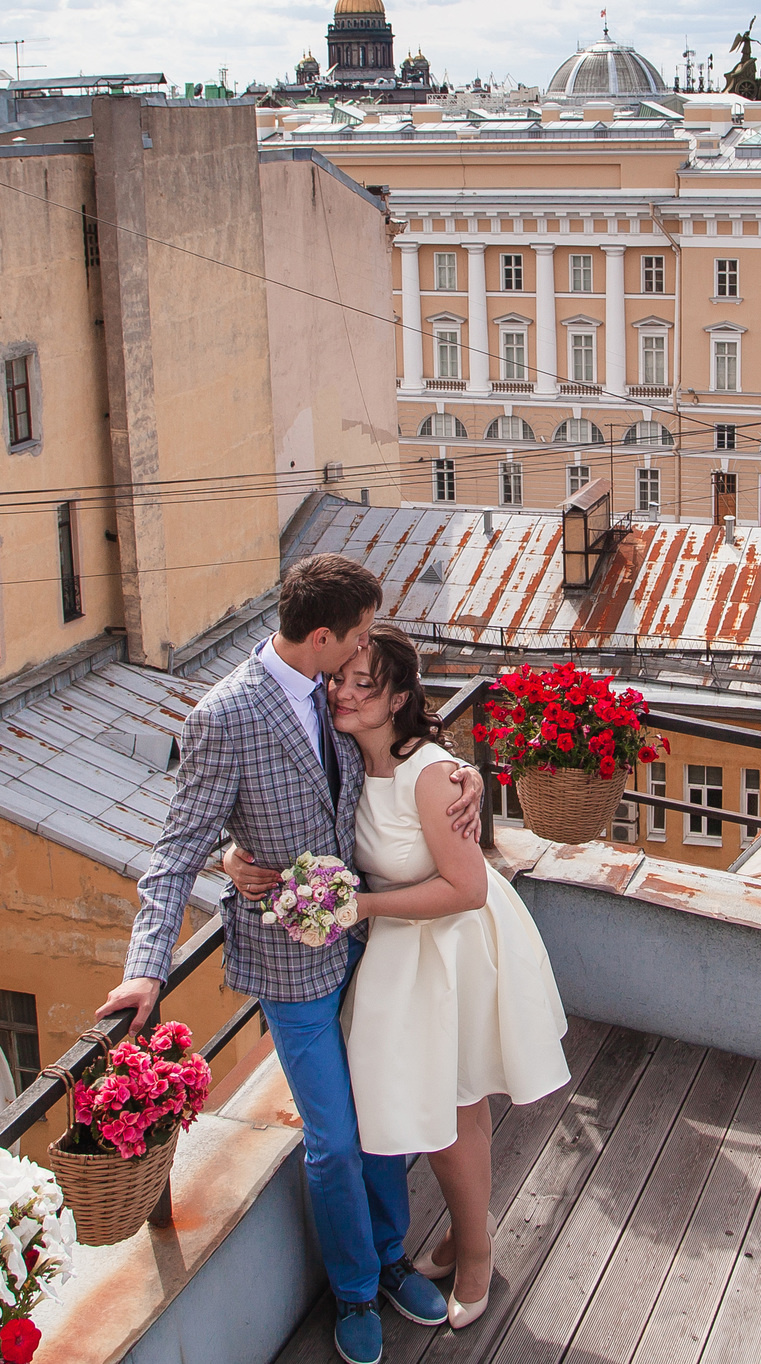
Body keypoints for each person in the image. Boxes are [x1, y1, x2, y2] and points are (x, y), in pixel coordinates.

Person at [96, 555, 481, 1364]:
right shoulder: (224, 716)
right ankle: (354, 1291)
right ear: (323, 636)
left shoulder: (338, 692)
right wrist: (147, 967)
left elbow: (398, 748)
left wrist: (464, 775)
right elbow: (175, 851)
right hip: (288, 964)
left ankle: (389, 1257)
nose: (368, 647)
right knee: (334, 1139)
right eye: (362, 633)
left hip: (369, 949)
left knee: (382, 1115)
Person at [228, 630, 568, 1330]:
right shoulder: (343, 754)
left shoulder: (431, 774)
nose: (344, 693)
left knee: (452, 1112)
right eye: (340, 679)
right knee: (448, 1109)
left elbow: (468, 888)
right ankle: (465, 1233)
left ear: (399, 699)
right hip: (401, 953)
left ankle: (476, 1254)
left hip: (451, 948)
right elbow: (270, 802)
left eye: (366, 685)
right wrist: (234, 856)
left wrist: (362, 906)